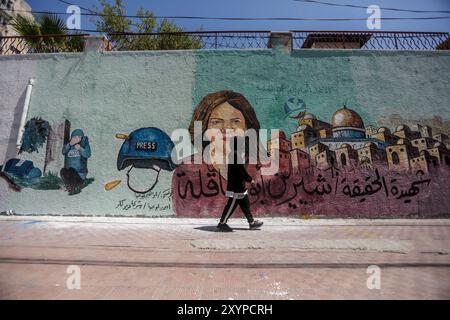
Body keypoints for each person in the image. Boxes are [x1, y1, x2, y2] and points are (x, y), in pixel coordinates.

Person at [217, 136, 263, 232]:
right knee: (231, 204)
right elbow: (240, 169)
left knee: (245, 203)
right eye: (241, 143)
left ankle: (251, 222)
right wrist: (249, 179)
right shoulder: (235, 154)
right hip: (236, 186)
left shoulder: (235, 154)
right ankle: (222, 223)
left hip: (239, 185)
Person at [60, 129, 91, 193]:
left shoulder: (84, 143)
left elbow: (88, 154)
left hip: (80, 174)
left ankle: (73, 187)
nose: (77, 139)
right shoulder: (69, 144)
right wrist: (69, 144)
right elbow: (63, 152)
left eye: (79, 137)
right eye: (75, 137)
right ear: (72, 138)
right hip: (69, 174)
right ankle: (69, 186)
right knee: (63, 171)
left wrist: (80, 149)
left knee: (72, 170)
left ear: (82, 138)